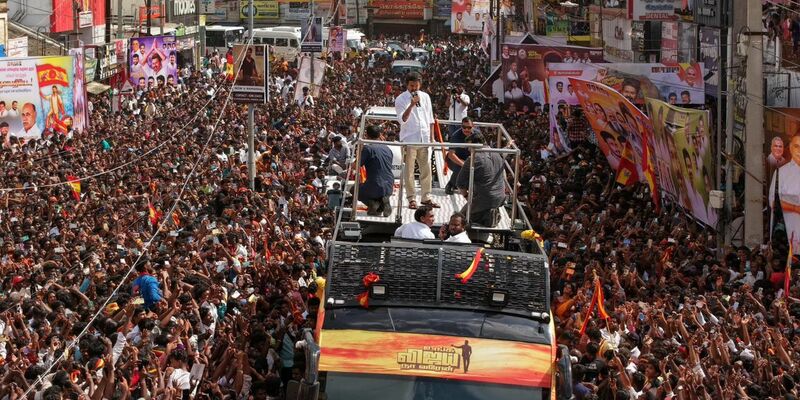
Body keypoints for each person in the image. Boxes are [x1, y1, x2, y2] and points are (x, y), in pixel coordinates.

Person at [394, 72, 438, 209]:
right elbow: (403, 119)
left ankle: (426, 197)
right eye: (412, 86)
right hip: (409, 139)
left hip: (424, 138)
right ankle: (411, 198)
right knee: (409, 171)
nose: (414, 88)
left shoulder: (425, 97)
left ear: (420, 85)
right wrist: (412, 104)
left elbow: (430, 118)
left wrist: (432, 138)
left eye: (416, 86)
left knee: (426, 169)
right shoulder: (400, 99)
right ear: (407, 85)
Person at [456, 132, 505, 227]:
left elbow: (460, 184)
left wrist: (467, 197)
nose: (468, 150)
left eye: (469, 147)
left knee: (459, 220)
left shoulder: (473, 158)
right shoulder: (498, 154)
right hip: (500, 198)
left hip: (484, 199)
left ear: (475, 144)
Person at [770, 134, 800, 253]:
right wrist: (795, 208)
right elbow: (773, 201)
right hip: (788, 234)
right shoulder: (782, 173)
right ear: (791, 148)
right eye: (797, 146)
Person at [359, 125, 394, 217]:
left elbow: (356, 166)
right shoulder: (387, 148)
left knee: (353, 190)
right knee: (377, 191)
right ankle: (383, 202)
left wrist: (359, 152)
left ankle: (375, 205)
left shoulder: (368, 148)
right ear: (379, 135)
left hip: (375, 184)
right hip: (389, 184)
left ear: (366, 135)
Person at [445, 117, 476, 195]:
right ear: (461, 126)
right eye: (464, 127)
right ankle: (451, 184)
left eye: (469, 127)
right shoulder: (456, 136)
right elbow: (451, 155)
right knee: (461, 167)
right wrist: (464, 164)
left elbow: (485, 148)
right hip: (454, 160)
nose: (466, 129)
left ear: (473, 126)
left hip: (471, 159)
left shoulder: (477, 134)